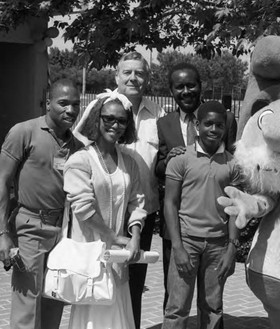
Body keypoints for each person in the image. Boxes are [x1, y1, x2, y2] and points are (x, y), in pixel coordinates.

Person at [74, 51, 163, 329]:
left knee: (131, 286)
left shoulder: (158, 114)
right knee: (95, 281)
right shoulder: (100, 106)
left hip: (139, 211)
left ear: (147, 78)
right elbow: (80, 148)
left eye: (139, 72)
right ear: (117, 76)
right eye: (127, 72)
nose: (133, 78)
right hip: (98, 215)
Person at [155, 62, 238, 312]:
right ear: (171, 91)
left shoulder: (223, 118)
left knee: (212, 301)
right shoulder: (165, 123)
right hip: (178, 226)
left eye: (191, 85)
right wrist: (172, 159)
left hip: (214, 227)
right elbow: (157, 167)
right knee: (176, 296)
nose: (186, 91)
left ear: (200, 86)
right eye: (179, 87)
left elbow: (228, 161)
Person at [0, 79, 82, 329]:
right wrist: (3, 234)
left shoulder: (76, 146)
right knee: (27, 307)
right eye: (63, 103)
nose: (70, 110)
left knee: (53, 299)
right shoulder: (23, 132)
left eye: (75, 105)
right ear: (48, 104)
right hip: (30, 228)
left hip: (62, 233)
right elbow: (2, 181)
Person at [64, 90, 147, 329]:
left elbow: (137, 202)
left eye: (122, 120)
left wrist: (135, 236)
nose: (115, 125)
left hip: (119, 258)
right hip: (90, 257)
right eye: (108, 118)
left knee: (118, 317)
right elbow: (83, 207)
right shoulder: (79, 161)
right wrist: (113, 237)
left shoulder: (129, 162)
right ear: (96, 119)